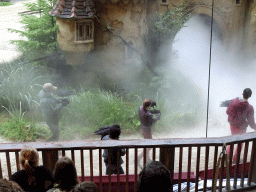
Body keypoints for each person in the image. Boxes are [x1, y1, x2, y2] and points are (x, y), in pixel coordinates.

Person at [226, 88, 256, 163]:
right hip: (241, 127)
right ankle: (235, 159)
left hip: (232, 124)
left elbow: (227, 112)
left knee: (232, 139)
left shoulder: (233, 102)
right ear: (250, 96)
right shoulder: (250, 108)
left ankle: (227, 156)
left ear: (242, 93)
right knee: (240, 142)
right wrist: (255, 127)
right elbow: (250, 121)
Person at [138, 99, 160, 166]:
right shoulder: (148, 115)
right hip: (147, 130)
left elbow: (147, 111)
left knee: (147, 144)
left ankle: (147, 159)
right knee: (150, 146)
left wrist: (152, 112)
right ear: (149, 106)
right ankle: (138, 158)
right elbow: (154, 120)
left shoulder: (140, 108)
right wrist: (158, 116)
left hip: (142, 128)